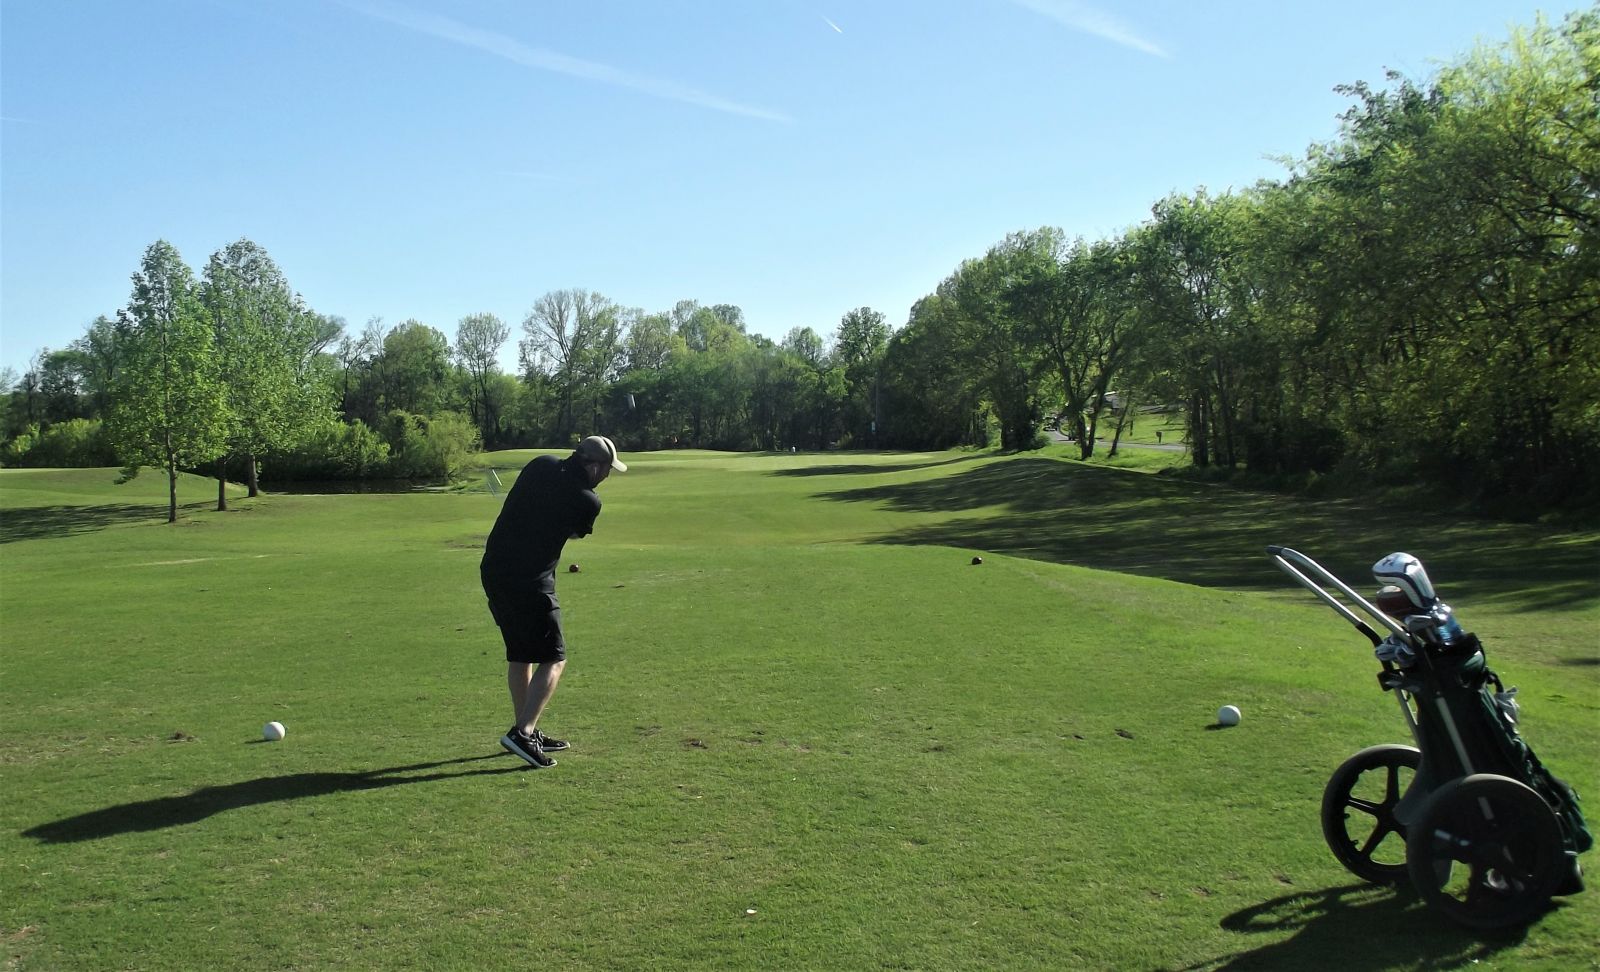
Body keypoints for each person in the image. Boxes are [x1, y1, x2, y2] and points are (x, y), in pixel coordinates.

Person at [480, 435, 626, 768]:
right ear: (592, 465)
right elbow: (575, 532)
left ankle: (525, 729)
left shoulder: (540, 464)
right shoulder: (589, 500)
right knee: (555, 658)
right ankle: (523, 732)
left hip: (494, 571)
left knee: (522, 654)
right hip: (531, 580)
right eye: (606, 469)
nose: (607, 476)